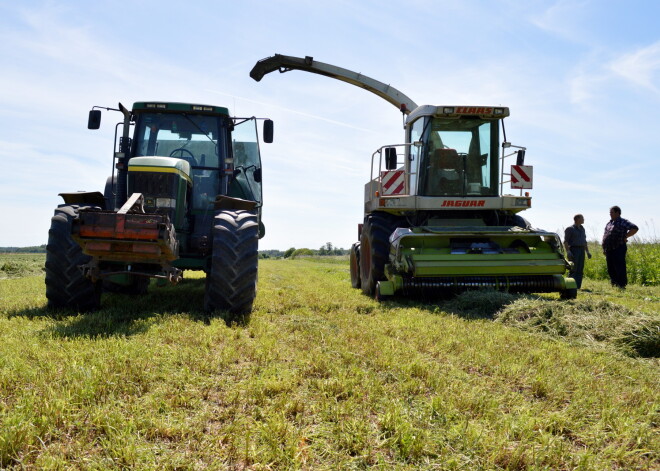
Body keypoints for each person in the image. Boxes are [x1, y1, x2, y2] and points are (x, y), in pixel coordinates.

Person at [602, 206, 638, 289]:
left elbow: (634, 228)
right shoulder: (609, 223)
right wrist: (604, 248)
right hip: (609, 248)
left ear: (617, 213)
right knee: (610, 267)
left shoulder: (623, 221)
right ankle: (614, 283)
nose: (610, 214)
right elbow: (605, 235)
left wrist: (626, 236)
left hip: (619, 247)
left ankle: (621, 285)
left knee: (619, 266)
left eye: (612, 212)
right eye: (610, 212)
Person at [564, 214, 591, 289]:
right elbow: (566, 241)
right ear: (577, 219)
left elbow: (584, 241)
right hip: (574, 250)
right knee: (573, 269)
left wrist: (587, 251)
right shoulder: (570, 229)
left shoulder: (582, 228)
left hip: (581, 250)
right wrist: (568, 251)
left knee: (580, 268)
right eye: (582, 218)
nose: (583, 219)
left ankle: (578, 286)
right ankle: (570, 285)